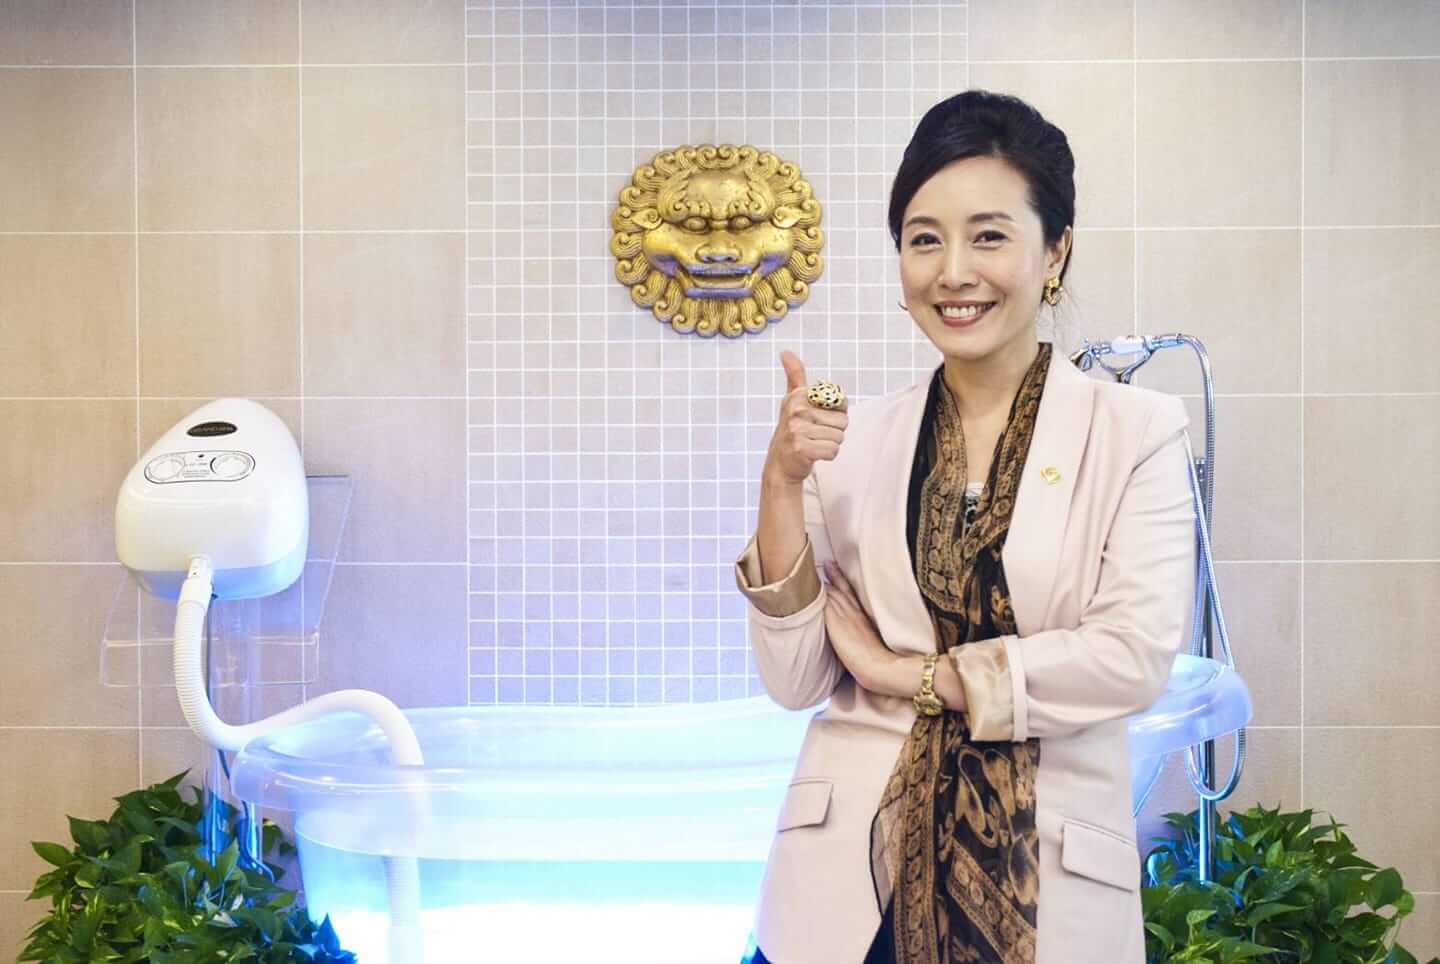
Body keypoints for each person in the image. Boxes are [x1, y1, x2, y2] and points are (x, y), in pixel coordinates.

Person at [733, 89, 1198, 964]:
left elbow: (1128, 657)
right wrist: (781, 481)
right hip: (845, 896)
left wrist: (912, 676)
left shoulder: (1137, 433)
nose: (952, 272)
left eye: (988, 236)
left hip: (1043, 894)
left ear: (1055, 251)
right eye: (923, 239)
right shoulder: (854, 441)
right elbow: (796, 679)